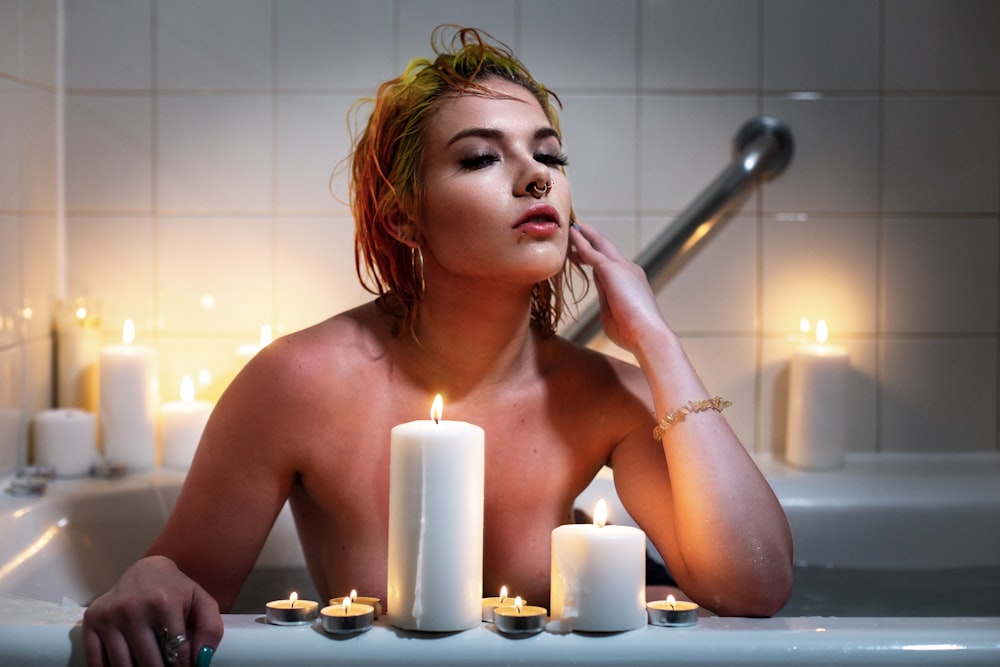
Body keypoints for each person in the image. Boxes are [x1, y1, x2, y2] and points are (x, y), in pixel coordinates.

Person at [82, 25, 793, 666]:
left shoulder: (602, 393)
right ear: (405, 216)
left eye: (548, 154)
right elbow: (182, 593)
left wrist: (657, 339)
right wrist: (152, 575)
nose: (535, 174)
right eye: (482, 157)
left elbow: (753, 584)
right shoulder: (298, 383)